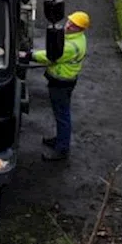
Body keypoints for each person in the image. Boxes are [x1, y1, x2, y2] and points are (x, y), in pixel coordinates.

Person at [27, 11, 89, 161]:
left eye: (73, 25)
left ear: (80, 29)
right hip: (65, 81)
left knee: (62, 116)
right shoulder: (78, 38)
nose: (68, 25)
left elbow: (51, 56)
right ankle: (60, 140)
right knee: (61, 114)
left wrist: (30, 55)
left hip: (61, 83)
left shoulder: (72, 46)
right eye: (69, 21)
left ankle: (61, 149)